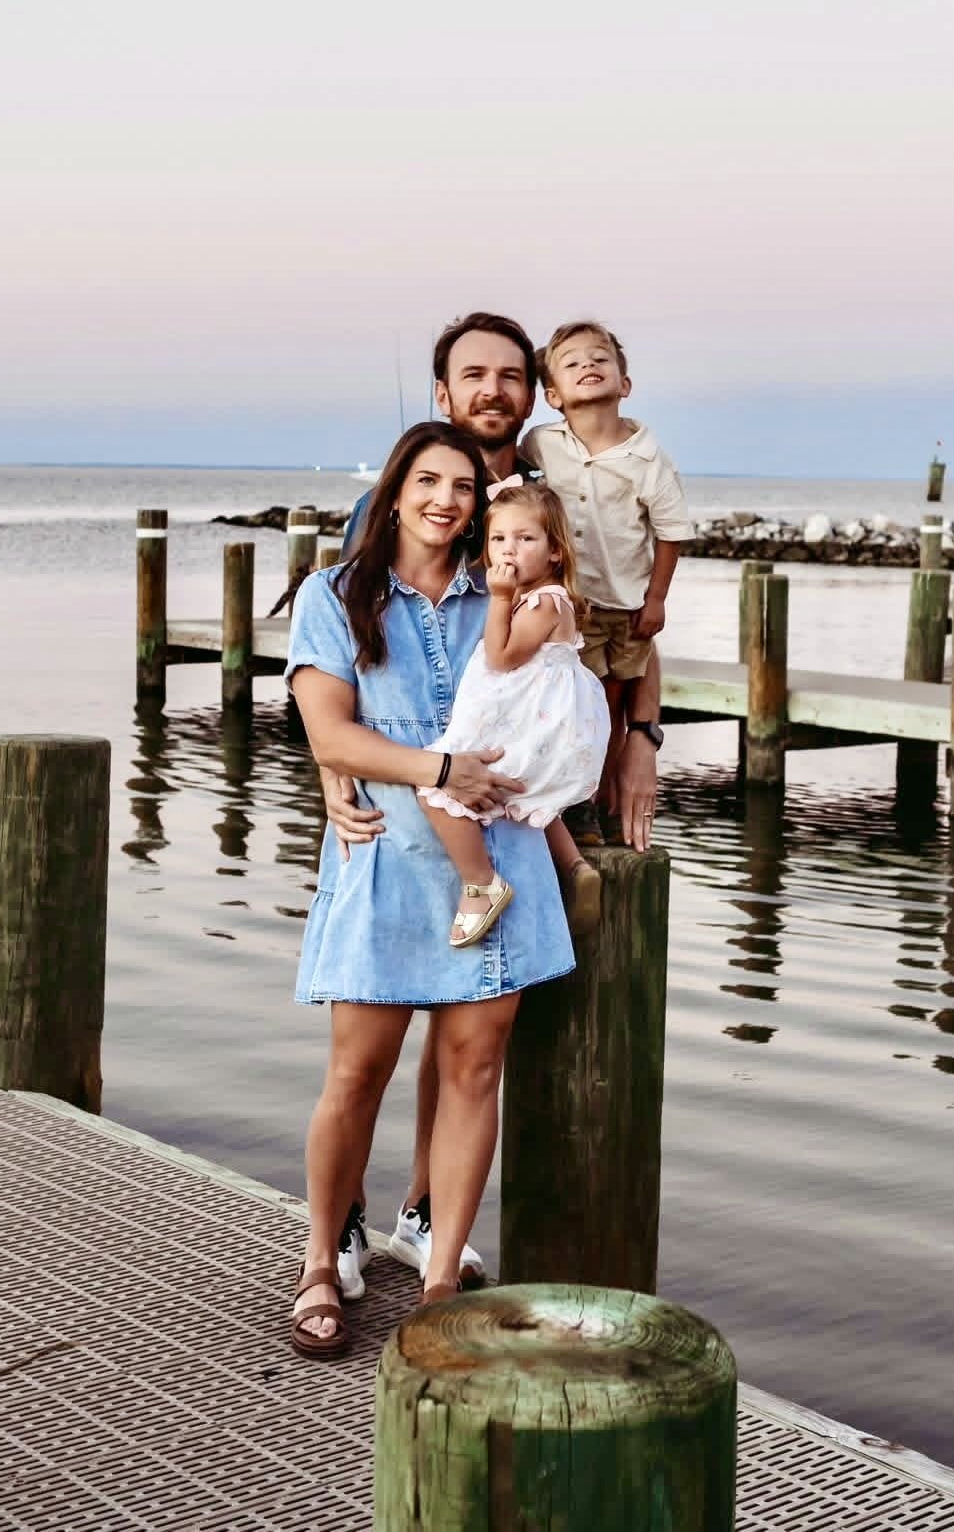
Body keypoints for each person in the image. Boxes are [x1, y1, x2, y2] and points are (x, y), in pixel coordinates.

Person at [322, 313, 668, 1300]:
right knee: (374, 1028)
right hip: (410, 788)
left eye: (510, 375)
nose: (493, 389)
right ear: (441, 393)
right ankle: (338, 1222)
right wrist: (333, 768)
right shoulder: (405, 495)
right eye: (472, 375)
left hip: (519, 779)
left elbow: (623, 613)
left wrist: (640, 736)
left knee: (471, 1022)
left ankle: (427, 1211)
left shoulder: (550, 487)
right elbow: (342, 638)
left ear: (535, 392)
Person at [284, 422, 574, 1358]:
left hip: (500, 867)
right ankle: (323, 1260)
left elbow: (560, 699)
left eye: (464, 485)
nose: (447, 499)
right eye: (428, 480)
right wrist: (435, 765)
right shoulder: (337, 597)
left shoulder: (509, 594)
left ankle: (441, 1273)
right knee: (356, 1073)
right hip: (384, 858)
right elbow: (332, 735)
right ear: (396, 489)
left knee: (472, 1071)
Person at [416, 476, 611, 945]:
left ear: (555, 551)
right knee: (532, 808)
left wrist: (499, 597)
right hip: (538, 722)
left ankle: (481, 882)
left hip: (530, 726)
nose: (509, 550)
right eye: (499, 538)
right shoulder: (542, 600)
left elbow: (502, 657)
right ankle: (575, 868)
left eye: (525, 539)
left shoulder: (543, 602)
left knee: (435, 786)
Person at [523, 320, 691, 821]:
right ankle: (567, 798)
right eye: (572, 363)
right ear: (553, 394)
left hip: (625, 606)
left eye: (600, 359)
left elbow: (671, 530)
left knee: (611, 707)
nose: (588, 366)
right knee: (573, 703)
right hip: (569, 602)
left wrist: (656, 599)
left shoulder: (647, 458)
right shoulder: (541, 444)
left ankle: (598, 799)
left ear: (625, 384)